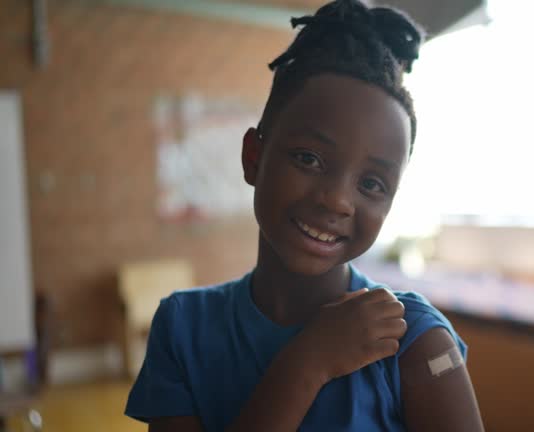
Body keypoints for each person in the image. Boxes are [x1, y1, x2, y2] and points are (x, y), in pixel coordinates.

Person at [125, 0, 483, 430]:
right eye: (309, 158)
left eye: (372, 184)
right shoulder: (183, 327)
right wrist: (307, 363)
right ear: (253, 156)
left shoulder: (412, 339)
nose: (336, 201)